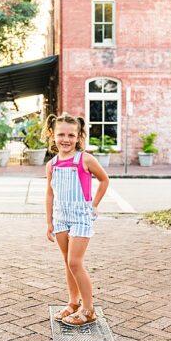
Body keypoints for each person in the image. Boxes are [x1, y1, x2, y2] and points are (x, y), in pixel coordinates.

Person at [44, 113, 110, 326]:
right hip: (61, 217)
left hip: (81, 217)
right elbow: (49, 193)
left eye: (71, 135)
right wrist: (49, 222)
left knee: (75, 262)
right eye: (61, 134)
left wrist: (94, 204)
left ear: (79, 136)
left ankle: (88, 309)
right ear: (52, 135)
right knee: (67, 262)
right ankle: (73, 303)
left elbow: (104, 180)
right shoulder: (52, 164)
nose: (66, 139)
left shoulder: (85, 159)